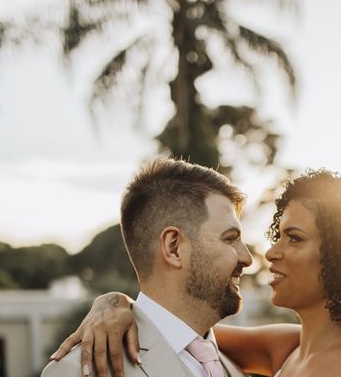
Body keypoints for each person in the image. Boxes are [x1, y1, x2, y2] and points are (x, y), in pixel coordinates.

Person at [52, 166, 341, 376]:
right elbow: (177, 328)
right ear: (173, 246)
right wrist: (114, 303)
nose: (267, 254)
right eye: (279, 235)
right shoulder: (286, 349)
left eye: (294, 238)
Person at [42, 158, 258, 377]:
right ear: (174, 248)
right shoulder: (76, 372)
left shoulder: (234, 368)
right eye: (230, 239)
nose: (247, 258)